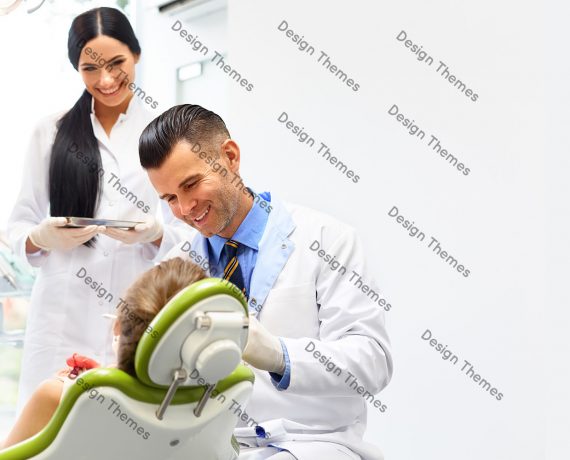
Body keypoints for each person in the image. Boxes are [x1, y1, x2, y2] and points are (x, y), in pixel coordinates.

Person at [138, 105, 394, 460]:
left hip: (314, 443)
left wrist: (278, 355)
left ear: (230, 157)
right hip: (214, 446)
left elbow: (372, 362)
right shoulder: (176, 266)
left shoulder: (327, 240)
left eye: (191, 184)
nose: (184, 209)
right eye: (169, 199)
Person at [6, 7, 192, 411]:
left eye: (116, 63)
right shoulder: (51, 132)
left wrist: (156, 233)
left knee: (128, 428)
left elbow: (192, 232)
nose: (105, 80)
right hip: (60, 319)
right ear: (77, 68)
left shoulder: (167, 131)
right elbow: (17, 227)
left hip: (135, 315)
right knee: (49, 428)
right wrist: (40, 237)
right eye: (90, 68)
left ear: (136, 54)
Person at [0, 257, 206, 450]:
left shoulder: (56, 396)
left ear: (117, 327)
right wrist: (105, 379)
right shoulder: (211, 401)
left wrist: (93, 386)